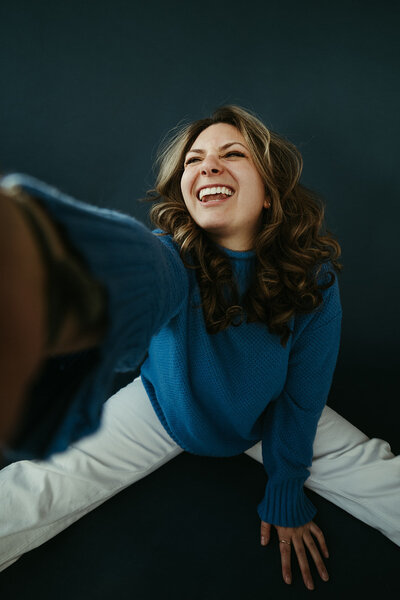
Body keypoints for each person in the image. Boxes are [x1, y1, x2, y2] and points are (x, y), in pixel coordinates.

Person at [0, 105, 398, 590]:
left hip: (268, 413)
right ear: (185, 189)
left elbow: (302, 392)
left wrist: (285, 487)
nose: (208, 166)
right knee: (40, 488)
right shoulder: (169, 256)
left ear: (270, 193)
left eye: (233, 154)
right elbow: (135, 273)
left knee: (383, 479)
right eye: (194, 159)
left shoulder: (315, 278)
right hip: (166, 405)